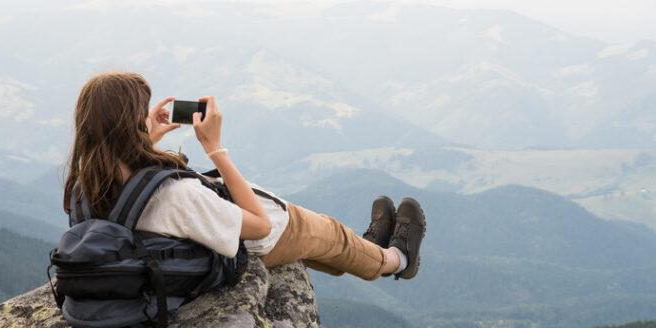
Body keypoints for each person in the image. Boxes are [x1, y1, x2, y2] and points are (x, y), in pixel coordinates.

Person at [63, 71, 425, 282]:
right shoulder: (176, 196)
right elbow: (260, 225)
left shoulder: (88, 183)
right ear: (128, 126)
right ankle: (397, 259)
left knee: (336, 245)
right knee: (332, 236)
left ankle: (371, 248)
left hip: (191, 235)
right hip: (255, 240)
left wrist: (146, 141)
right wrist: (215, 149)